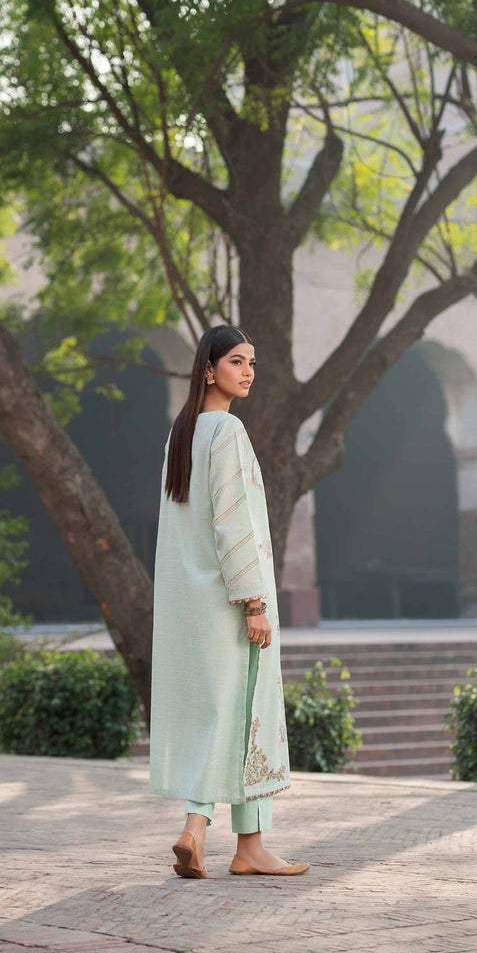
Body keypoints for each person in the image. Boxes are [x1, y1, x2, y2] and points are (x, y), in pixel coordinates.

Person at [149, 324, 309, 878]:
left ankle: (211, 834)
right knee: (245, 716)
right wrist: (253, 602)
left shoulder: (182, 433)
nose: (247, 372)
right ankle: (236, 843)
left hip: (192, 603)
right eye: (237, 361)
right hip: (231, 599)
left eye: (252, 363)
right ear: (208, 368)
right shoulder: (227, 430)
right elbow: (233, 524)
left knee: (219, 715)